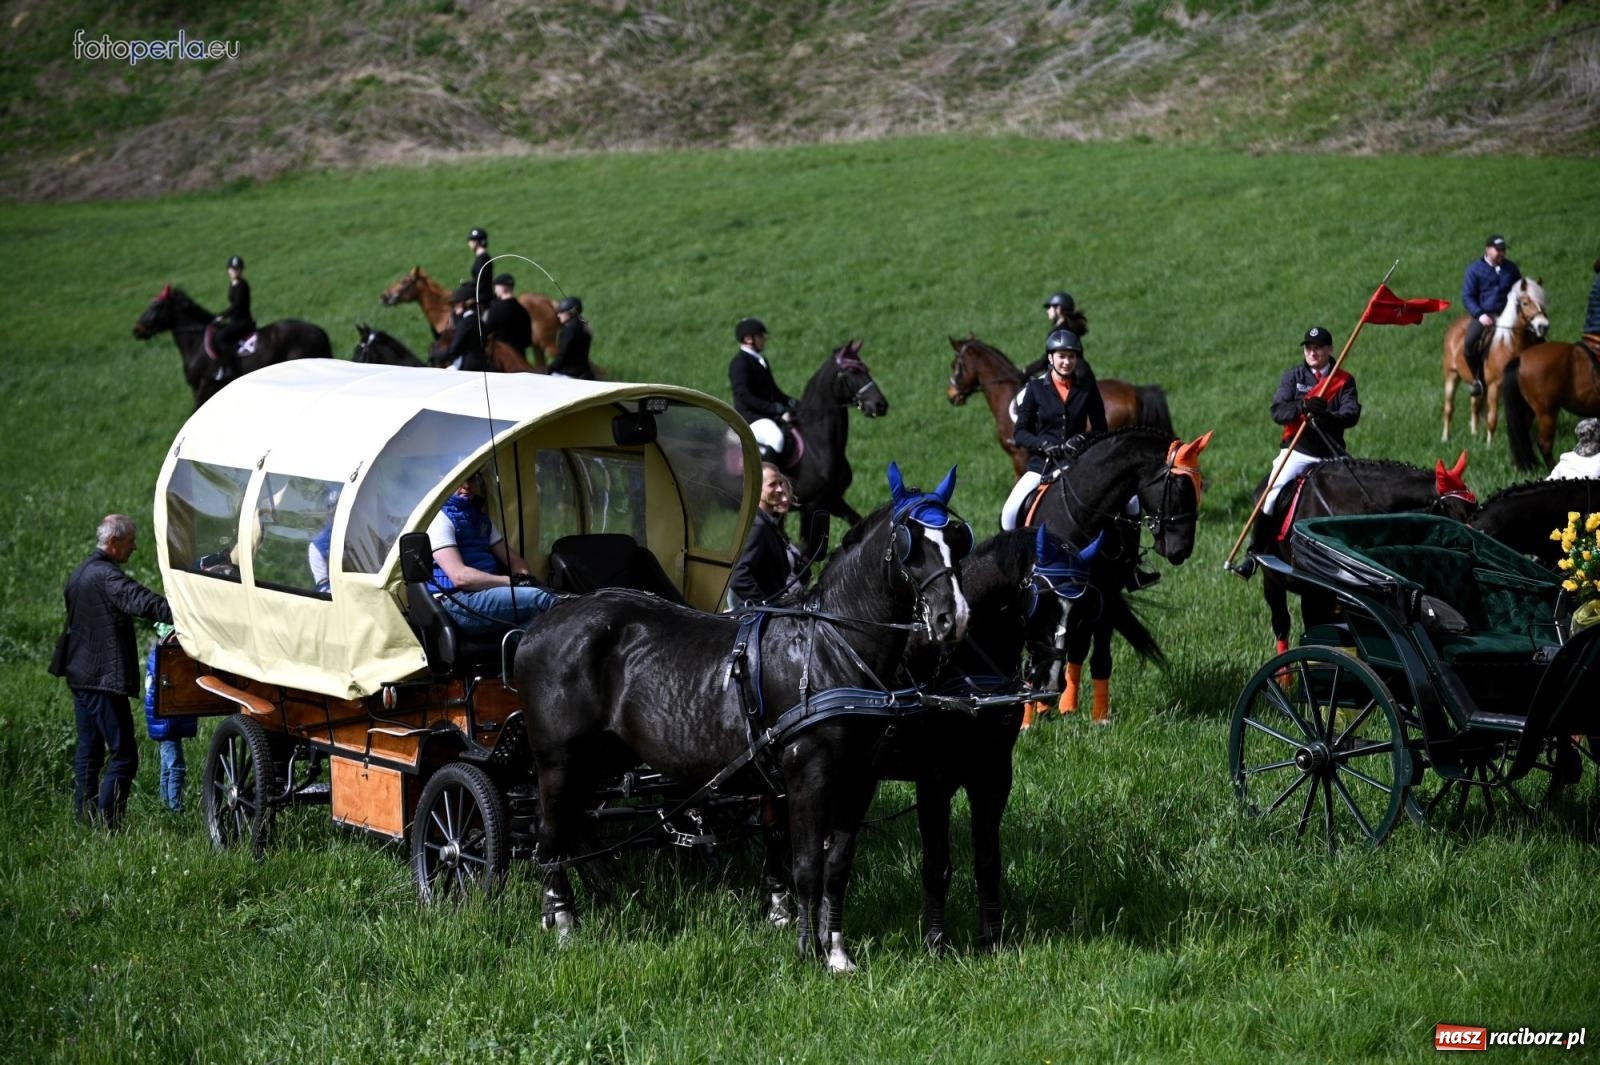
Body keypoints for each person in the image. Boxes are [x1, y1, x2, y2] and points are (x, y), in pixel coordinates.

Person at [51, 515, 173, 829]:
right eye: (131, 541)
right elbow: (141, 601)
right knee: (124, 756)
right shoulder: (108, 577)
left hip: (79, 675)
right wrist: (182, 611)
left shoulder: (79, 573)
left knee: (89, 751)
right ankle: (110, 825)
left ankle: (84, 819)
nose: (134, 547)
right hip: (103, 679)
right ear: (114, 542)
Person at [1000, 328, 1107, 531]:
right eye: (1061, 356)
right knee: (1009, 514)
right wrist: (1042, 443)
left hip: (1078, 462)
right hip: (1042, 466)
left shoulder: (1088, 388)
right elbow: (1020, 433)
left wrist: (1082, 439)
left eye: (1071, 357)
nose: (1066, 362)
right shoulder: (1035, 389)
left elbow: (1101, 430)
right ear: (1050, 358)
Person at [426, 471, 557, 633]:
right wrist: (511, 582)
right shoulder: (440, 520)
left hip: (487, 593)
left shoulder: (480, 519)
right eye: (460, 480)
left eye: (472, 479)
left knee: (540, 627)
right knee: (545, 600)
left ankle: (516, 654)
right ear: (443, 481)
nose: (467, 486)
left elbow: (514, 560)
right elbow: (460, 577)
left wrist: (525, 578)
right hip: (457, 602)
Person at [729, 463, 808, 607]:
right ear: (756, 488)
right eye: (772, 485)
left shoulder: (768, 523)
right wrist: (764, 605)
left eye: (780, 483)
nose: (779, 489)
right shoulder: (757, 526)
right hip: (759, 619)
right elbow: (738, 575)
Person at [1460, 235, 1523, 396]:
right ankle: (1478, 380)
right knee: (1469, 342)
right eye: (1498, 250)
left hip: (1508, 316)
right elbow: (1467, 296)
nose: (1501, 253)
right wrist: (1480, 314)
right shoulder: (1474, 270)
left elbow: (1519, 289)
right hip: (1485, 315)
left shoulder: (1511, 268)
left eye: (1503, 250)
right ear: (1487, 250)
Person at [728, 317, 798, 461]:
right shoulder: (739, 363)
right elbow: (744, 396)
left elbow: (775, 391)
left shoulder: (761, 360)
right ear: (748, 339)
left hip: (767, 415)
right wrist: (774, 408)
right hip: (752, 419)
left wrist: (792, 402)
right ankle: (765, 478)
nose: (764, 339)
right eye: (760, 335)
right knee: (776, 438)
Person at [142, 624, 194, 813]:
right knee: (176, 766)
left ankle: (164, 806)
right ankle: (175, 809)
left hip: (165, 721)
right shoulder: (166, 661)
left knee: (166, 767)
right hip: (167, 722)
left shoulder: (159, 657)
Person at [1023, 292, 1093, 378]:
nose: (1048, 311)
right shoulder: (1070, 328)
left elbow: (1048, 358)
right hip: (1082, 372)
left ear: (1058, 309)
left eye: (1050, 307)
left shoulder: (1059, 332)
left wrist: (1028, 370)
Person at [482, 273, 533, 361]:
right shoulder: (522, 310)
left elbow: (486, 331)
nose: (495, 290)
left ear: (503, 288)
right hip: (520, 358)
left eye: (496, 287)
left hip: (502, 360)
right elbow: (528, 340)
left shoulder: (495, 309)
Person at [214, 254, 255, 361]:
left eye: (237, 269)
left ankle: (228, 365)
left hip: (243, 321)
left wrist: (222, 316)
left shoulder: (242, 285)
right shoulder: (233, 283)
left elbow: (236, 306)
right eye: (232, 269)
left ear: (241, 270)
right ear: (228, 270)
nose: (235, 271)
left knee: (221, 337)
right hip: (235, 320)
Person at [443, 282, 489, 372]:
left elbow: (454, 348)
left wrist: (438, 355)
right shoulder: (480, 322)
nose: (454, 307)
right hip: (482, 364)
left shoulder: (465, 323)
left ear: (463, 304)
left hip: (466, 366)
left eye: (456, 304)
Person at [550, 296, 595, 379]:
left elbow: (563, 356)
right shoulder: (585, 328)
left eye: (561, 312)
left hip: (568, 375)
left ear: (571, 312)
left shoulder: (568, 330)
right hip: (584, 372)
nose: (558, 315)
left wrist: (550, 368)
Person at [467, 227, 493, 312]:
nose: (469, 243)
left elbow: (480, 281)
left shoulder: (483, 259)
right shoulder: (481, 258)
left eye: (471, 241)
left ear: (476, 242)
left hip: (483, 297)